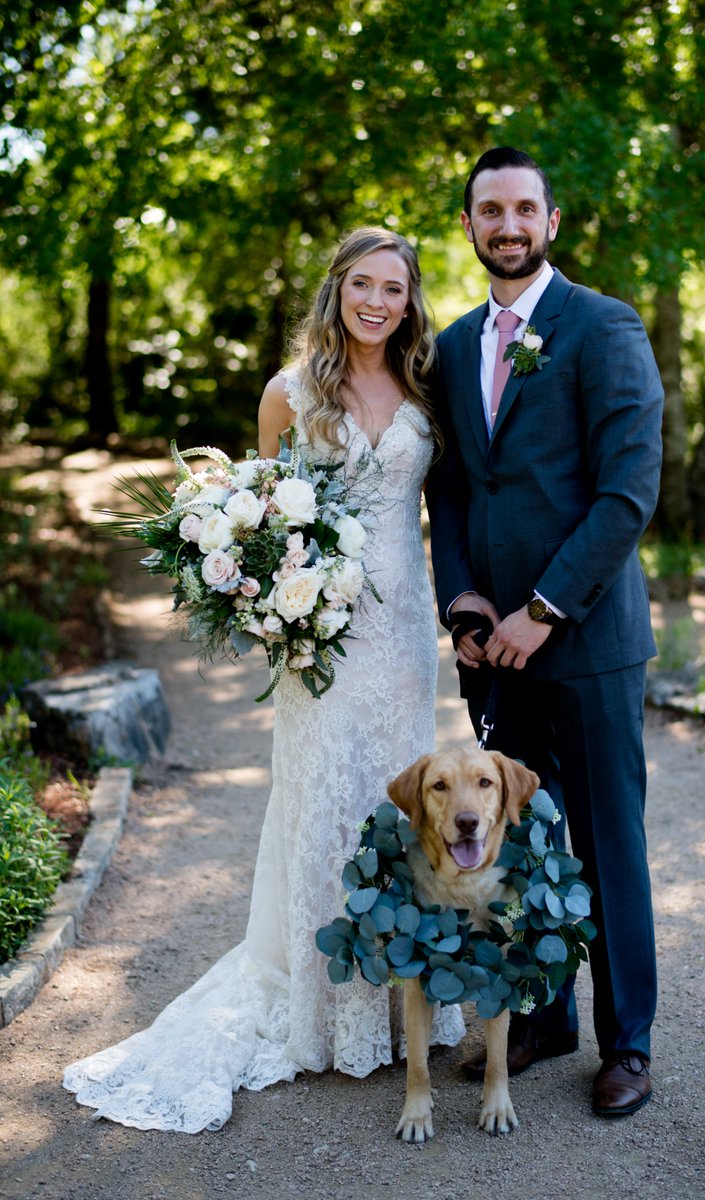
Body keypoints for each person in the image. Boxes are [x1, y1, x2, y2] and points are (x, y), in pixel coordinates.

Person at [63, 227, 465, 1132]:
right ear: (337, 290)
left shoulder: (423, 391)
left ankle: (402, 994)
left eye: (393, 289)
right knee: (322, 801)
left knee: (400, 803)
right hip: (322, 638)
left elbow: (446, 505)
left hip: (403, 636)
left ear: (409, 302)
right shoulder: (289, 393)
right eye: (362, 283)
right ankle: (322, 1012)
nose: (377, 301)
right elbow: (265, 521)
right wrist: (282, 610)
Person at [425, 148, 663, 1117]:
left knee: (607, 847)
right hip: (495, 656)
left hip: (587, 641)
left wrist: (541, 610)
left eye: (524, 207)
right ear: (471, 224)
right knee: (519, 848)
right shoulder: (446, 345)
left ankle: (628, 1044)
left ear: (551, 221)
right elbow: (448, 487)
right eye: (490, 209)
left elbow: (625, 491)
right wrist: (467, 604)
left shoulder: (602, 327)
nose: (507, 224)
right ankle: (541, 1014)